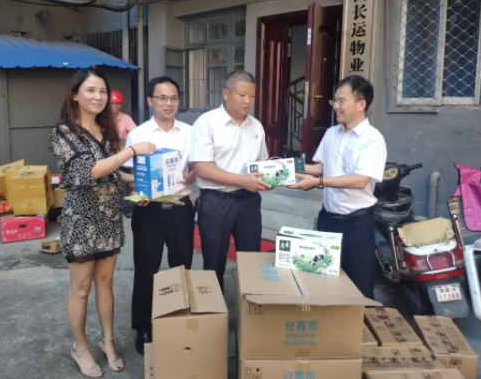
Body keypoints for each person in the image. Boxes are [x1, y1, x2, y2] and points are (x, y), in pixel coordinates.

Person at [51, 68, 155, 378]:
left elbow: (111, 172)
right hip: (81, 220)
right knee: (81, 287)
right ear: (75, 94)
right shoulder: (64, 131)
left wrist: (139, 182)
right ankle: (80, 347)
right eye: (91, 90)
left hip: (109, 217)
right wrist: (132, 151)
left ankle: (106, 340)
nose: (99, 97)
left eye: (103, 91)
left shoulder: (107, 128)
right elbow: (90, 171)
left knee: (106, 282)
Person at [288, 75, 386, 299]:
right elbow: (321, 167)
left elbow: (360, 180)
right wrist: (289, 166)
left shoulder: (373, 139)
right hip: (327, 221)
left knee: (359, 288)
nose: (336, 106)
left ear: (361, 104)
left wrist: (318, 182)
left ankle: (359, 322)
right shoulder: (332, 133)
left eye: (342, 101)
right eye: (335, 101)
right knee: (325, 283)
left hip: (356, 226)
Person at [123, 76, 196, 354]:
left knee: (182, 267)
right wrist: (136, 189)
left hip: (181, 209)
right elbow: (129, 172)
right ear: (150, 101)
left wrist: (190, 176)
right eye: (163, 97)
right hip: (149, 212)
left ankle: (179, 319)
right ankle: (143, 326)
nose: (169, 103)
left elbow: (197, 167)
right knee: (146, 269)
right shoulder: (138, 134)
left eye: (174, 98)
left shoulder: (190, 132)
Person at [190, 70, 271, 290]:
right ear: (226, 94)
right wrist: (242, 180)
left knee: (251, 258)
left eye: (252, 96)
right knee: (214, 259)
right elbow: (202, 168)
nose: (248, 101)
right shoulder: (206, 123)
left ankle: (249, 305)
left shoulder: (256, 126)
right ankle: (213, 306)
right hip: (217, 201)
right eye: (242, 95)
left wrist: (272, 177)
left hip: (249, 201)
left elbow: (262, 162)